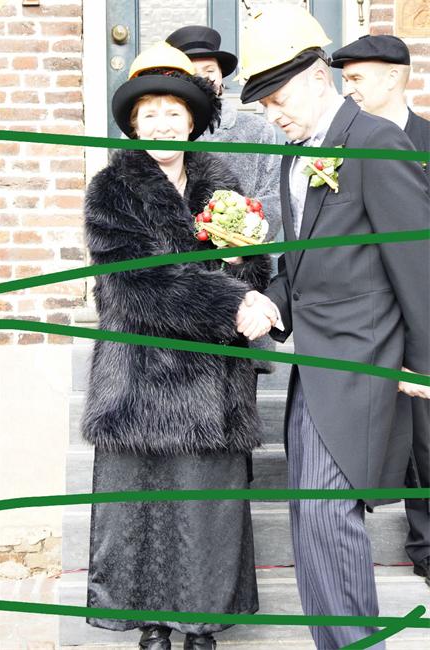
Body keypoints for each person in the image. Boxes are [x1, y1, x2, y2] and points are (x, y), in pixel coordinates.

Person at [233, 5, 430, 649]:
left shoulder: (375, 141)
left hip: (364, 362)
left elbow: (417, 263)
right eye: (263, 104)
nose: (273, 114)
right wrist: (271, 303)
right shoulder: (297, 155)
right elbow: (303, 266)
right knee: (312, 521)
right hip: (314, 368)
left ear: (319, 78)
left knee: (326, 516)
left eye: (279, 98)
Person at [82, 41, 272, 650]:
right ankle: (152, 623)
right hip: (141, 379)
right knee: (141, 511)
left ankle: (201, 625)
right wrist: (232, 303)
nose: (162, 123)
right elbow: (137, 283)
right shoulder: (112, 188)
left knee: (206, 511)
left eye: (173, 112)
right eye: (150, 114)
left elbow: (256, 266)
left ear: (192, 121)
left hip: (214, 382)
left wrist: (247, 273)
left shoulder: (222, 185)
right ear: (134, 125)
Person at [331, 34, 430, 586]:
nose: (350, 88)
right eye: (345, 79)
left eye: (357, 77)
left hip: (423, 301)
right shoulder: (344, 147)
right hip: (369, 311)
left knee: (428, 432)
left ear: (394, 76)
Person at [165, 25, 282, 241]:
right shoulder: (156, 132)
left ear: (221, 76)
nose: (203, 78)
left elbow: (274, 197)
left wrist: (237, 233)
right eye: (192, 71)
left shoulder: (257, 131)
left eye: (210, 70)